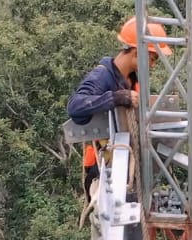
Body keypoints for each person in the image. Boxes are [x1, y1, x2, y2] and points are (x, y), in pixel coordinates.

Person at [67, 16, 172, 198]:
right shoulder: (102, 77)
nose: (153, 66)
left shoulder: (131, 79)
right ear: (137, 52)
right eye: (152, 59)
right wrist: (116, 98)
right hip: (103, 174)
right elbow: (75, 107)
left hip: (128, 170)